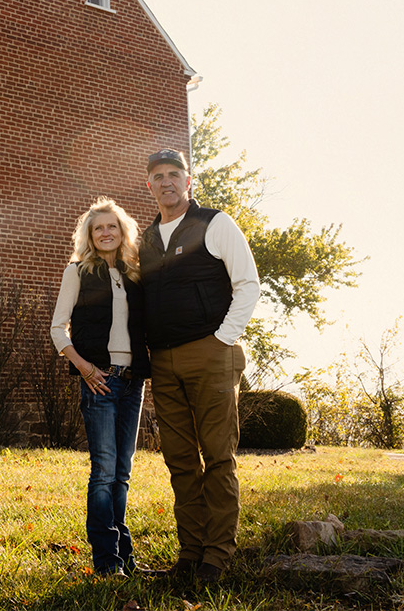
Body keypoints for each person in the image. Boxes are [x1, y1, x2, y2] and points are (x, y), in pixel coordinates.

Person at [139, 149, 260, 584]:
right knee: (180, 460)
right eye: (158, 176)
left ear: (188, 181)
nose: (167, 181)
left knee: (218, 457)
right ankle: (189, 552)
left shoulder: (215, 223)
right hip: (164, 362)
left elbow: (248, 284)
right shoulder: (147, 240)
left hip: (211, 353)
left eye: (175, 174)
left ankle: (217, 556)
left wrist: (222, 339)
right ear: (149, 185)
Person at [50, 197, 151, 577]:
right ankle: (107, 562)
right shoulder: (77, 271)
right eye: (98, 228)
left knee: (122, 472)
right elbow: (58, 329)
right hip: (100, 381)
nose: (106, 232)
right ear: (89, 236)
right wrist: (85, 368)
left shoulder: (134, 275)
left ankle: (126, 558)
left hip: (133, 380)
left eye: (112, 226)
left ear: (123, 231)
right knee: (104, 471)